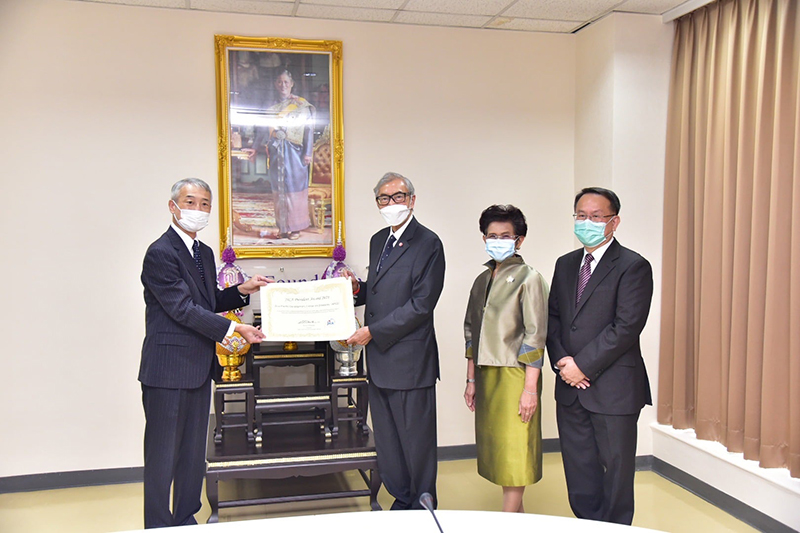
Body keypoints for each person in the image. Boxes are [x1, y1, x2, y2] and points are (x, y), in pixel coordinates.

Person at [138, 178, 269, 528]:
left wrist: (242, 289)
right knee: (163, 456)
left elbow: (207, 301)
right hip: (167, 371)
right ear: (173, 206)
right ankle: (158, 523)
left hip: (197, 368)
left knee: (193, 456)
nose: (198, 210)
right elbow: (181, 308)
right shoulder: (160, 253)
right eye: (190, 202)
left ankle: (185, 518)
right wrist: (232, 329)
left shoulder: (204, 253)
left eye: (205, 204)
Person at [546, 187, 653, 525]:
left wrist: (582, 365)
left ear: (614, 221)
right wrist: (563, 362)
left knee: (616, 473)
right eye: (581, 215)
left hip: (613, 389)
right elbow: (554, 319)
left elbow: (626, 327)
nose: (586, 222)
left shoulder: (633, 266)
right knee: (579, 471)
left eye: (596, 216)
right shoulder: (565, 264)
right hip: (570, 387)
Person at [344, 172, 446, 510]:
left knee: (415, 439)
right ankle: (401, 497)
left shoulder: (429, 243)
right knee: (387, 439)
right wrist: (355, 289)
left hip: (410, 361)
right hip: (380, 360)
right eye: (384, 199)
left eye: (398, 196)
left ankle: (422, 501)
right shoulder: (379, 240)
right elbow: (380, 291)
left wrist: (372, 332)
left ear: (412, 200)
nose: (391, 204)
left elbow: (420, 305)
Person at [463, 205, 548, 513]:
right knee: (500, 453)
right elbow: (471, 332)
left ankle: (507, 522)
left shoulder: (529, 278)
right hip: (487, 377)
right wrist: (471, 379)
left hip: (516, 376)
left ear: (519, 240)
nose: (497, 240)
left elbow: (535, 335)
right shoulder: (481, 280)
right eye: (492, 235)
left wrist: (530, 389)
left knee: (516, 452)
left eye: (505, 235)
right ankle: (518, 520)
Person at [265, 69, 314, 240]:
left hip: (295, 154)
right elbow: (263, 132)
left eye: (286, 82)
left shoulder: (301, 105)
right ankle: (283, 228)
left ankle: (296, 228)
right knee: (279, 192)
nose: (283, 85)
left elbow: (309, 130)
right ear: (275, 84)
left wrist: (308, 153)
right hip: (277, 152)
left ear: (292, 84)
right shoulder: (272, 108)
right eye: (279, 82)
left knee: (294, 191)